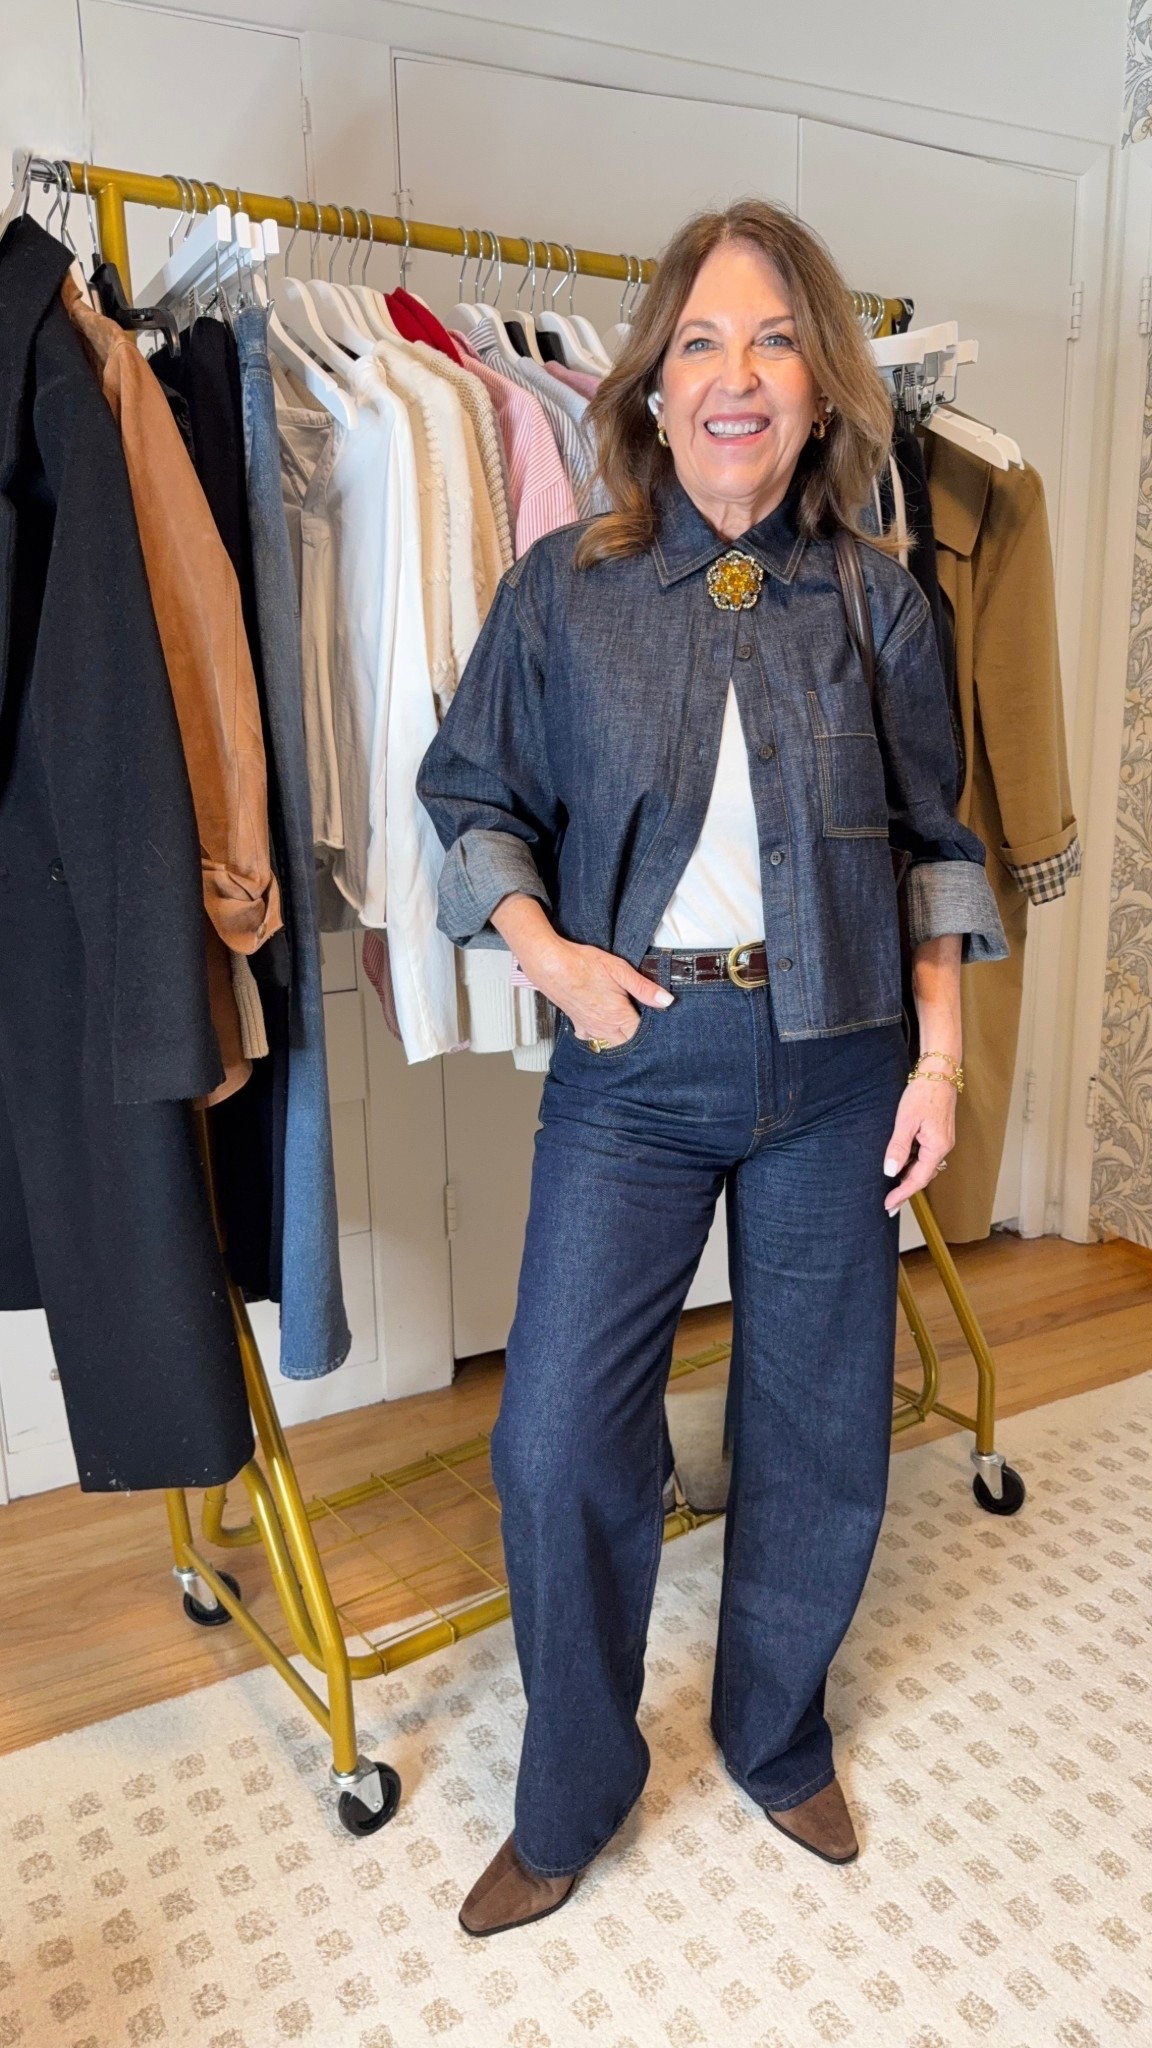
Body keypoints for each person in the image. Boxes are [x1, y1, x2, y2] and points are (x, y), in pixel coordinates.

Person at [417, 199, 1007, 1937]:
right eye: (699, 342)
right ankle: (574, 1788)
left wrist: (944, 1064)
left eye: (771, 342)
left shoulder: (880, 604)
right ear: (653, 390)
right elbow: (469, 798)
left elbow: (935, 843)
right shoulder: (569, 590)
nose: (735, 376)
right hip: (635, 1053)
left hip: (842, 1062)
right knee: (553, 1442)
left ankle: (775, 1730)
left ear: (822, 389)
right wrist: (550, 962)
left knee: (821, 1423)